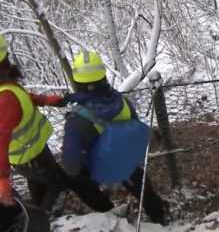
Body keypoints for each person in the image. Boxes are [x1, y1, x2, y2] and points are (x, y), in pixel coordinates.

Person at [0, 34, 110, 212]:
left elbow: (22, 98)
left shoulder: (6, 87)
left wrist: (49, 100)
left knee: (41, 189)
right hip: (30, 157)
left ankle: (41, 219)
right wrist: (3, 181)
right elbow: (1, 139)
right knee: (62, 181)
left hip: (32, 153)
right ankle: (104, 210)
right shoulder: (5, 96)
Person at [62, 50, 166, 224]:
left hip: (102, 167)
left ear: (77, 81)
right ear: (103, 76)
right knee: (140, 183)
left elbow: (71, 166)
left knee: (74, 178)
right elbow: (134, 127)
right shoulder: (121, 101)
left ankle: (109, 213)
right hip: (128, 161)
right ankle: (158, 215)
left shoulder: (77, 120)